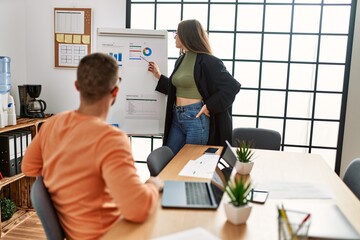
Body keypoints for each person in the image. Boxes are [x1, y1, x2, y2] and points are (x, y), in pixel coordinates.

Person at [22, 52, 163, 240]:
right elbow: (138, 210)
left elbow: (28, 167)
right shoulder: (111, 139)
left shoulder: (52, 125)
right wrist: (153, 184)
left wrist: (66, 174)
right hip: (109, 234)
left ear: (77, 87)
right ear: (115, 92)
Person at [147, 19, 241, 155]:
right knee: (170, 159)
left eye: (177, 33)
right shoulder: (181, 59)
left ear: (186, 35)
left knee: (192, 162)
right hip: (177, 117)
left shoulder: (209, 61)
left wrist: (209, 106)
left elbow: (232, 86)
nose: (175, 37)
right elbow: (178, 88)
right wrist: (158, 75)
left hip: (196, 118)